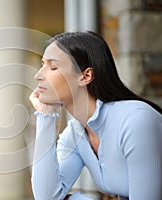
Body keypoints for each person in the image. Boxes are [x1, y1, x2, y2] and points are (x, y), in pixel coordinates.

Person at [29, 31, 162, 200]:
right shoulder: (76, 133)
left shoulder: (136, 121)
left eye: (53, 67)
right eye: (42, 65)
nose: (38, 75)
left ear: (86, 76)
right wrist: (45, 115)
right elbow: (46, 196)